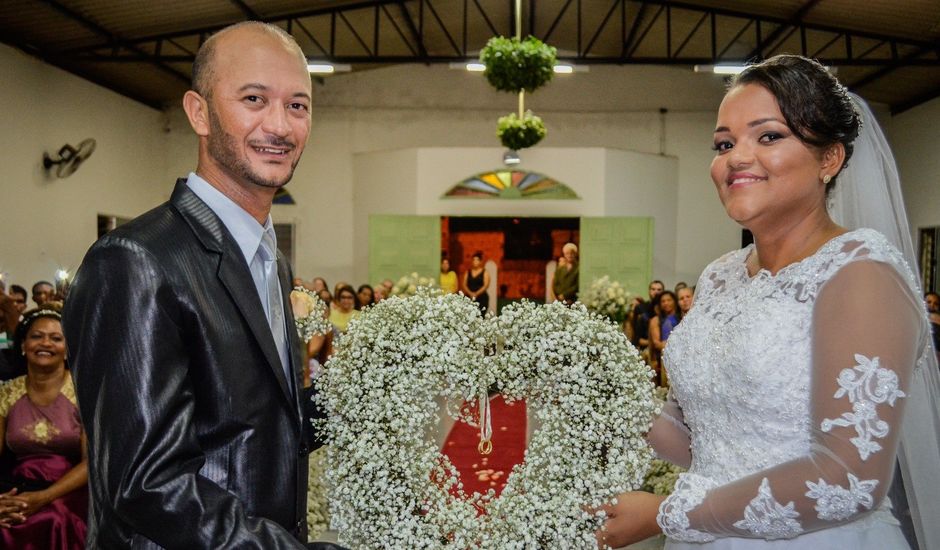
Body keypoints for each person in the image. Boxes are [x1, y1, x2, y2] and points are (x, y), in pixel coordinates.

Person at [601, 55, 939, 549]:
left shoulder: (861, 272)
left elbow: (849, 479)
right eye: (724, 143)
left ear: (830, 159)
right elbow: (707, 440)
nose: (737, 156)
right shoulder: (720, 276)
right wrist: (592, 387)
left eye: (769, 136)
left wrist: (669, 514)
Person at [62, 22, 328, 548]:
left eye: (297, 106)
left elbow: (253, 428)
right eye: (254, 99)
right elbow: (144, 482)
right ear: (198, 112)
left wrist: (384, 384)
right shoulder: (135, 260)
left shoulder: (269, 261)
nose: (280, 125)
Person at [0, 306, 88, 548]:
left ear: (68, 349)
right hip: (17, 486)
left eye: (56, 338)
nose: (45, 343)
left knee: (53, 519)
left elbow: (91, 463)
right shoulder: (6, 393)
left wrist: (44, 497)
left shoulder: (83, 393)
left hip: (68, 489)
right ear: (22, 345)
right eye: (37, 336)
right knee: (6, 520)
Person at [461, 251, 490, 316]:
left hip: (481, 298)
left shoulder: (485, 272)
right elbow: (464, 284)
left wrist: (476, 294)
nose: (475, 261)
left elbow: (486, 285)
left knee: (480, 316)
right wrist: (470, 293)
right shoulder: (467, 272)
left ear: (480, 261)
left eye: (477, 260)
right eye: (474, 260)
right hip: (469, 297)